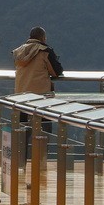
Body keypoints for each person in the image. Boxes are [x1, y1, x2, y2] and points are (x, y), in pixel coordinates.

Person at [13, 26, 64, 160]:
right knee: (44, 130)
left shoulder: (19, 51)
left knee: (22, 131)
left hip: (21, 96)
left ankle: (20, 161)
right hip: (41, 97)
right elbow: (56, 71)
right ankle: (41, 160)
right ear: (43, 38)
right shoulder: (45, 51)